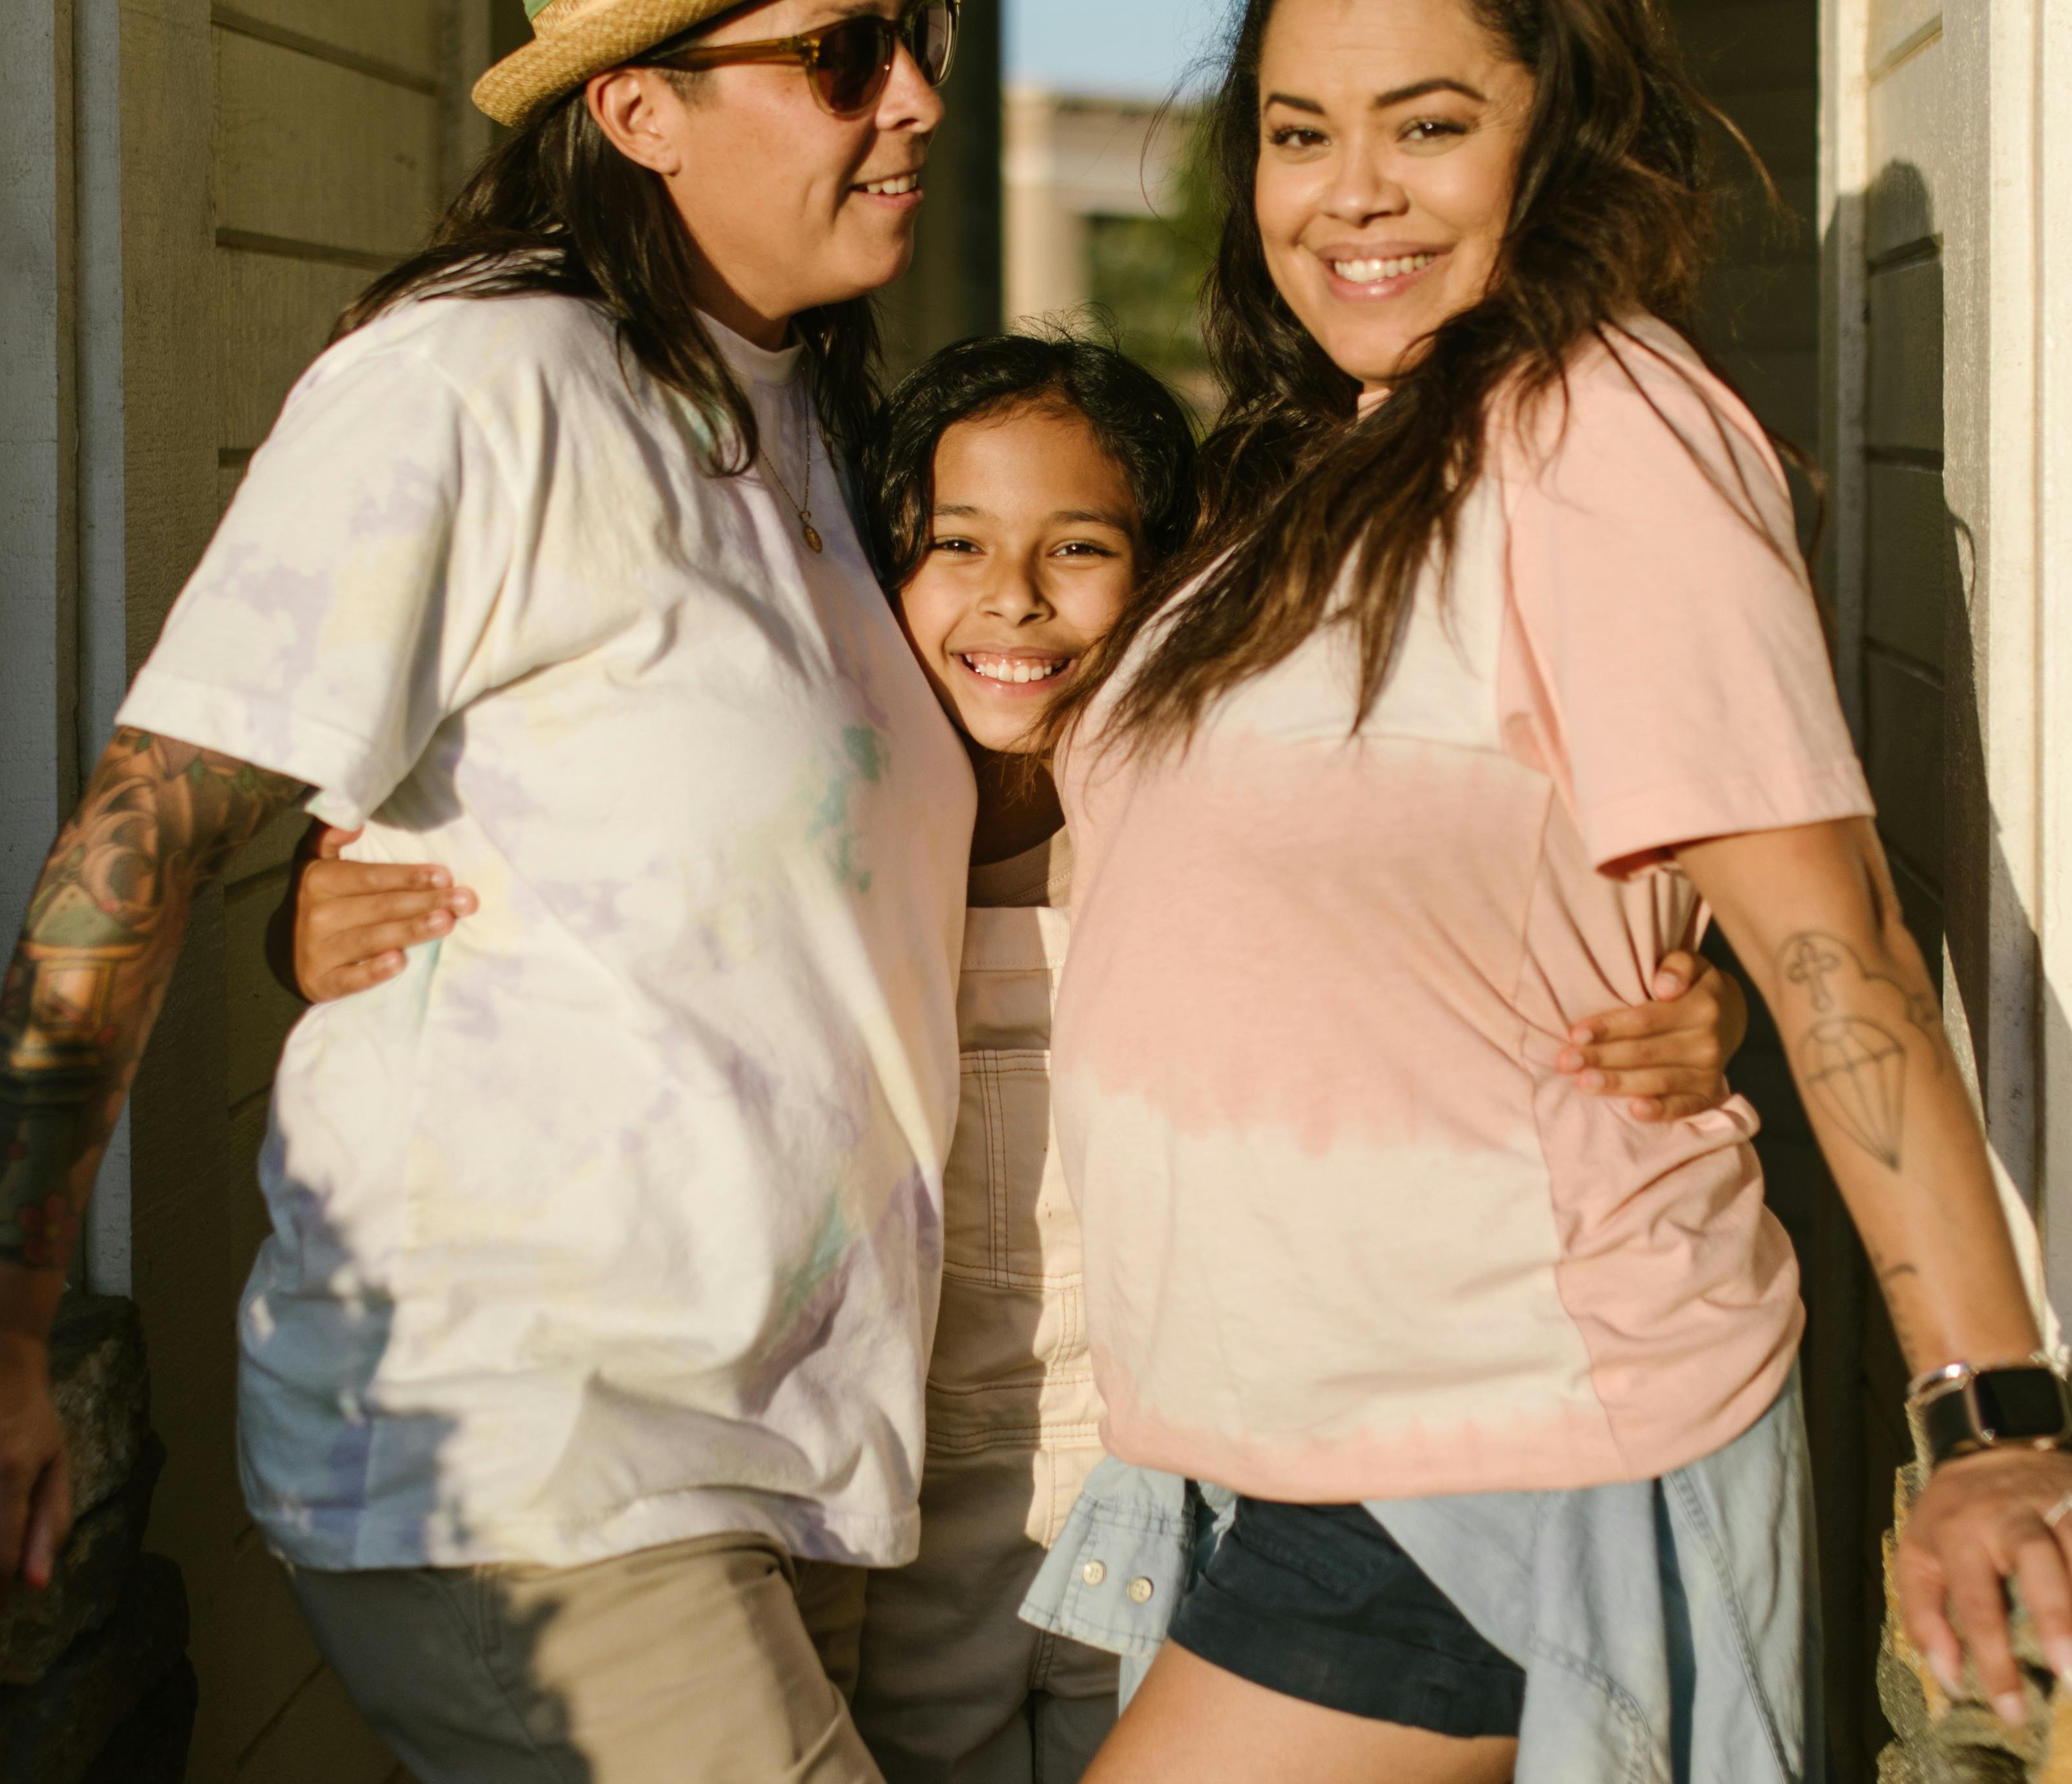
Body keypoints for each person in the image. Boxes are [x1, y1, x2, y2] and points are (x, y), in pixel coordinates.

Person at [0, 0, 986, 1783]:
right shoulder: (475, 383)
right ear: (636, 110)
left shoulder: (787, 407)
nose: (911, 97)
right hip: (528, 1450)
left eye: (918, 35)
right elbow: (143, 827)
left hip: (776, 1444)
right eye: (843, 52)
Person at [1007, 0, 2072, 1784]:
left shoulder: (1593, 427)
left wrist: (1989, 1418)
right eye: (1298, 134)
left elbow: (1831, 935)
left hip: (1494, 1437)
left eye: (1428, 125)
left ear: (1558, 145)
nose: (1348, 192)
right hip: (1284, 1436)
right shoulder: (1327, 460)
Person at [284, 332, 1753, 1784]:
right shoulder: (829, 807)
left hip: (1173, 1466)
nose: (1013, 601)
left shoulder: (1197, 810)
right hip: (907, 1480)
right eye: (957, 546)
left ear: (1167, 569)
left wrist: (1712, 1008)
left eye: (1079, 549)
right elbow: (610, 909)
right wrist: (320, 918)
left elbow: (1430, 950)